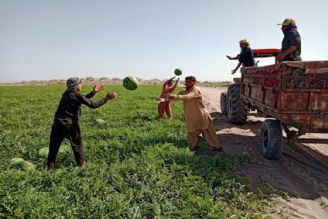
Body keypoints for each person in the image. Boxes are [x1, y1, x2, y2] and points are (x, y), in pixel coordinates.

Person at [47, 77, 117, 170]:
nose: (81, 85)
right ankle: (81, 167)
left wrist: (93, 92)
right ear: (76, 86)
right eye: (80, 83)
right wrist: (106, 99)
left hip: (57, 124)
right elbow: (93, 105)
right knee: (77, 146)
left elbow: (81, 99)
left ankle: (50, 168)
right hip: (70, 125)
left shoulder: (66, 94)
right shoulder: (77, 95)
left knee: (54, 147)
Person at [166, 76, 224, 152]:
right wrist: (164, 99)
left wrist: (174, 96)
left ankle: (217, 147)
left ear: (194, 82)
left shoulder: (196, 90)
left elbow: (189, 97)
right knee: (192, 131)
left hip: (201, 115)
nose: (187, 83)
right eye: (186, 82)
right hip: (191, 116)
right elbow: (176, 98)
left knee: (208, 132)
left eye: (189, 82)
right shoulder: (185, 91)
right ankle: (192, 147)